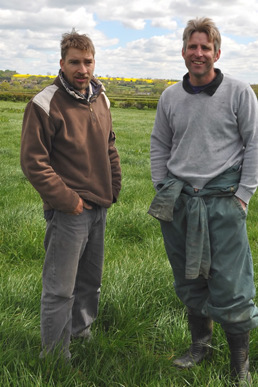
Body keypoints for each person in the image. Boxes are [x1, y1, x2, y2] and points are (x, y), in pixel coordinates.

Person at [149, 17, 258, 385]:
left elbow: (255, 144)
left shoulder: (240, 93)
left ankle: (239, 365)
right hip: (180, 202)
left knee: (231, 282)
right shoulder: (169, 96)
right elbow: (160, 144)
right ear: (183, 52)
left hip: (223, 201)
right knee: (190, 278)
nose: (198, 54)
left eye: (205, 48)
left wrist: (243, 196)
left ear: (217, 52)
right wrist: (162, 185)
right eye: (192, 47)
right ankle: (200, 347)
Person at [20, 30, 121, 360]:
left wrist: (113, 186)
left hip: (99, 207)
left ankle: (81, 333)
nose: (82, 69)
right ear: (62, 63)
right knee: (60, 288)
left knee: (90, 282)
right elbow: (34, 163)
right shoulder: (44, 103)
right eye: (74, 62)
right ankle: (53, 357)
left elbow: (109, 145)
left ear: (94, 63)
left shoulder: (100, 97)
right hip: (69, 212)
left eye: (88, 62)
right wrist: (69, 201)